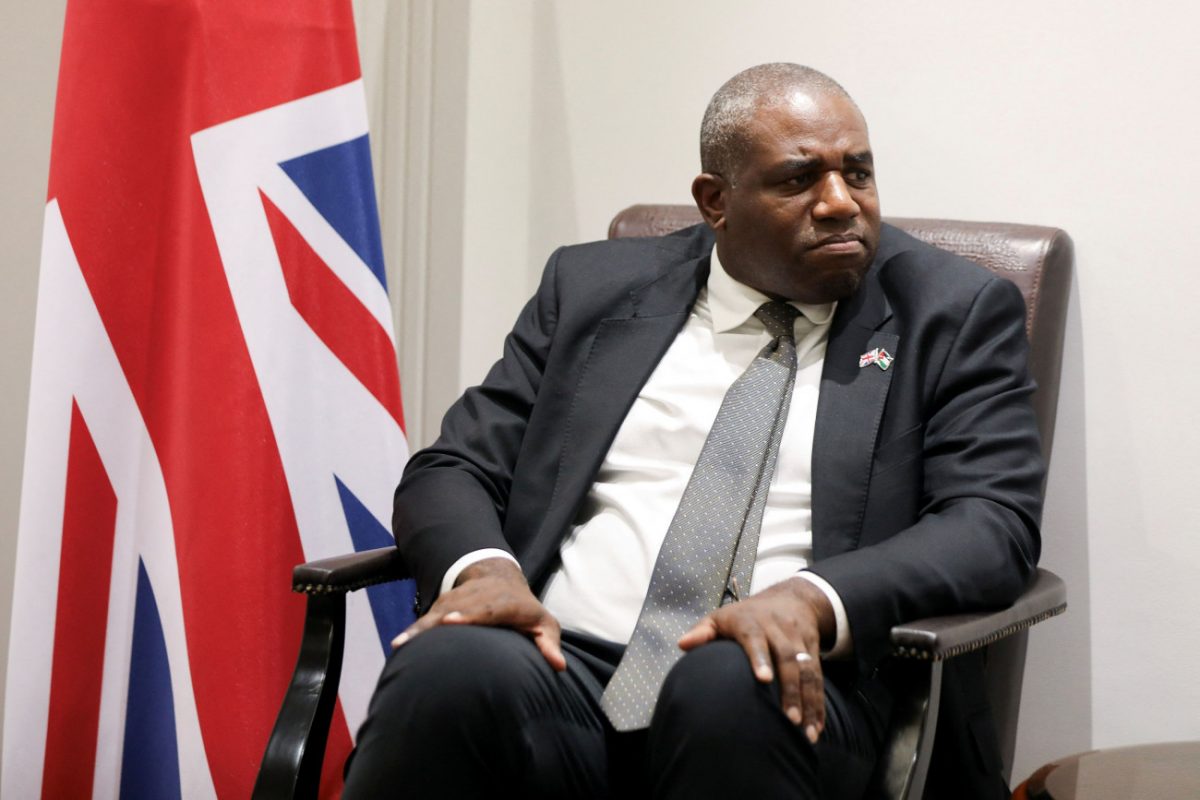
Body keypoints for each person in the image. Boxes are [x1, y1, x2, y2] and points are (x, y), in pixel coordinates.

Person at [343, 63, 1043, 799]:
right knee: (447, 665)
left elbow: (991, 522)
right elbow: (455, 465)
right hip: (566, 669)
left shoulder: (950, 313)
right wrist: (486, 571)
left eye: (858, 173)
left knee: (728, 685)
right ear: (716, 201)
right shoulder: (592, 289)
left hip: (795, 690)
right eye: (800, 179)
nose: (841, 203)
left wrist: (812, 597)